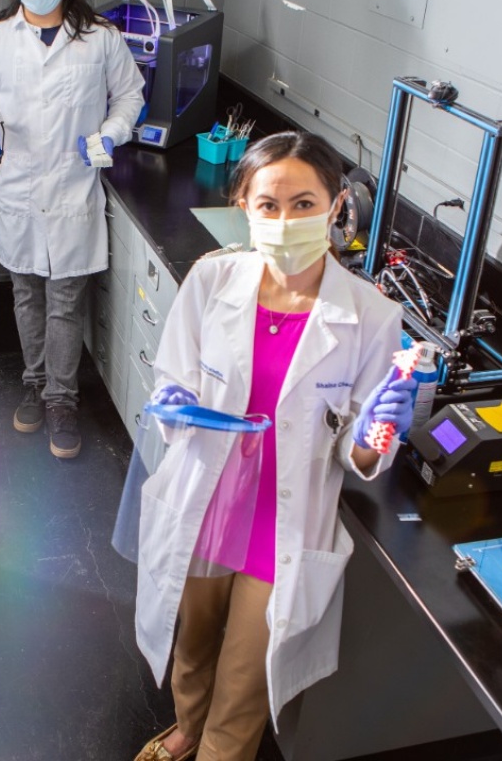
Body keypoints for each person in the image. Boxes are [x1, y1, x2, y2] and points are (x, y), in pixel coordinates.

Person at [131, 132, 416, 761]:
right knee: (192, 646)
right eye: (269, 205)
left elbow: (358, 458)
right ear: (244, 207)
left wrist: (375, 434)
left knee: (244, 682)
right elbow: (173, 380)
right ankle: (185, 731)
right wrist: (175, 406)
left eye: (305, 203)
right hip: (205, 505)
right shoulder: (212, 281)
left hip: (281, 527)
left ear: (338, 204)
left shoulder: (370, 316)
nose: (286, 221)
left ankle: (214, 749)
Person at [0, 0, 145, 459]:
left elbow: (130, 95)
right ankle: (34, 382)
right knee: (26, 293)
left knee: (66, 299)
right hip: (16, 186)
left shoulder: (101, 38)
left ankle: (62, 399)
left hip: (72, 186)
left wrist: (111, 133)